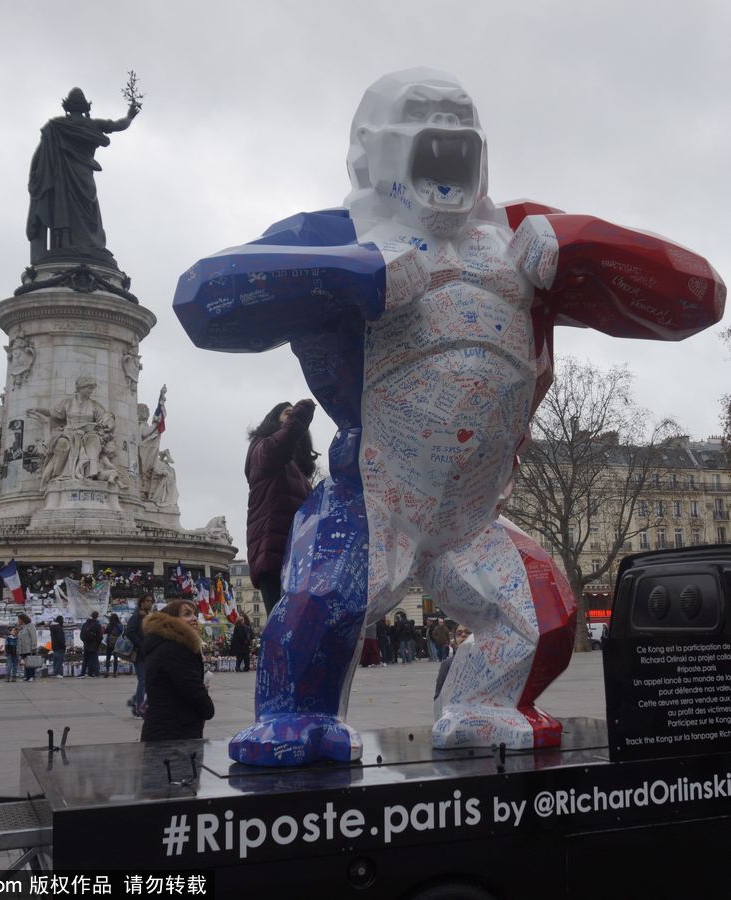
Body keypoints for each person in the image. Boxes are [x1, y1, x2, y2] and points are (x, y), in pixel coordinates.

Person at [175, 69, 724, 766]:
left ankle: (481, 704)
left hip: (474, 513)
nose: (447, 126)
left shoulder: (522, 236)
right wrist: (349, 274)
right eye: (423, 116)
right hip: (376, 495)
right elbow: (201, 297)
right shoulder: (345, 235)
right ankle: (297, 718)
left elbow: (698, 297)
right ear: (369, 152)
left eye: (459, 116)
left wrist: (583, 245)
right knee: (323, 603)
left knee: (543, 617)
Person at [26, 87, 140, 267]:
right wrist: (130, 116)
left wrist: (35, 176)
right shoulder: (91, 125)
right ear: (86, 107)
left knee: (64, 210)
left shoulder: (55, 127)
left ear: (67, 107)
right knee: (87, 213)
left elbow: (39, 156)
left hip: (61, 179)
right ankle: (89, 245)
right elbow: (118, 125)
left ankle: (64, 243)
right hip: (84, 177)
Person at [245, 399, 318, 615]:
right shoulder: (262, 448)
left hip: (296, 558)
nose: (292, 416)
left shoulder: (297, 471)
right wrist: (302, 412)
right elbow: (281, 443)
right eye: (287, 413)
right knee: (283, 626)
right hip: (274, 556)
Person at [140, 600, 215, 742]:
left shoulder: (162, 644)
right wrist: (207, 708)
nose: (194, 618)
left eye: (195, 614)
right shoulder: (175, 649)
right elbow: (192, 690)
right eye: (187, 614)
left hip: (164, 728)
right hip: (174, 733)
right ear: (172, 620)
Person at [125, 594, 154, 716]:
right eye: (147, 601)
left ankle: (134, 701)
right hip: (140, 654)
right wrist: (141, 645)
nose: (150, 603)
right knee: (143, 680)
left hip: (148, 653)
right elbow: (129, 632)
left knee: (147, 681)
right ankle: (139, 709)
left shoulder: (148, 616)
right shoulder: (136, 616)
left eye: (151, 601)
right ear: (141, 603)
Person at [434, 626, 470, 715]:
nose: (463, 635)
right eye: (459, 634)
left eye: (468, 632)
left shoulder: (486, 661)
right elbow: (439, 696)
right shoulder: (448, 664)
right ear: (455, 641)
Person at [79, 611, 103, 677]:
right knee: (94, 659)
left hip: (86, 644)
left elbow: (81, 636)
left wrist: (85, 641)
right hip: (94, 645)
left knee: (85, 659)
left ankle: (82, 673)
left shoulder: (85, 624)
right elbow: (100, 636)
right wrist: (98, 643)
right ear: (97, 616)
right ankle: (93, 673)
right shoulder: (97, 625)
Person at [17, 613, 39, 683]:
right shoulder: (21, 627)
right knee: (26, 663)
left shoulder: (30, 626)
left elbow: (33, 636)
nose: (18, 621)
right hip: (23, 649)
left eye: (19, 619)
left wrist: (34, 646)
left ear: (23, 619)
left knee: (31, 663)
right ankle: (27, 676)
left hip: (29, 648)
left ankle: (32, 676)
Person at [104, 613, 123, 678]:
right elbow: (122, 632)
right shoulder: (119, 625)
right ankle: (115, 672)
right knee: (115, 658)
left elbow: (105, 632)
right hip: (116, 643)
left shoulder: (109, 625)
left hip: (109, 643)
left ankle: (107, 671)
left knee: (108, 657)